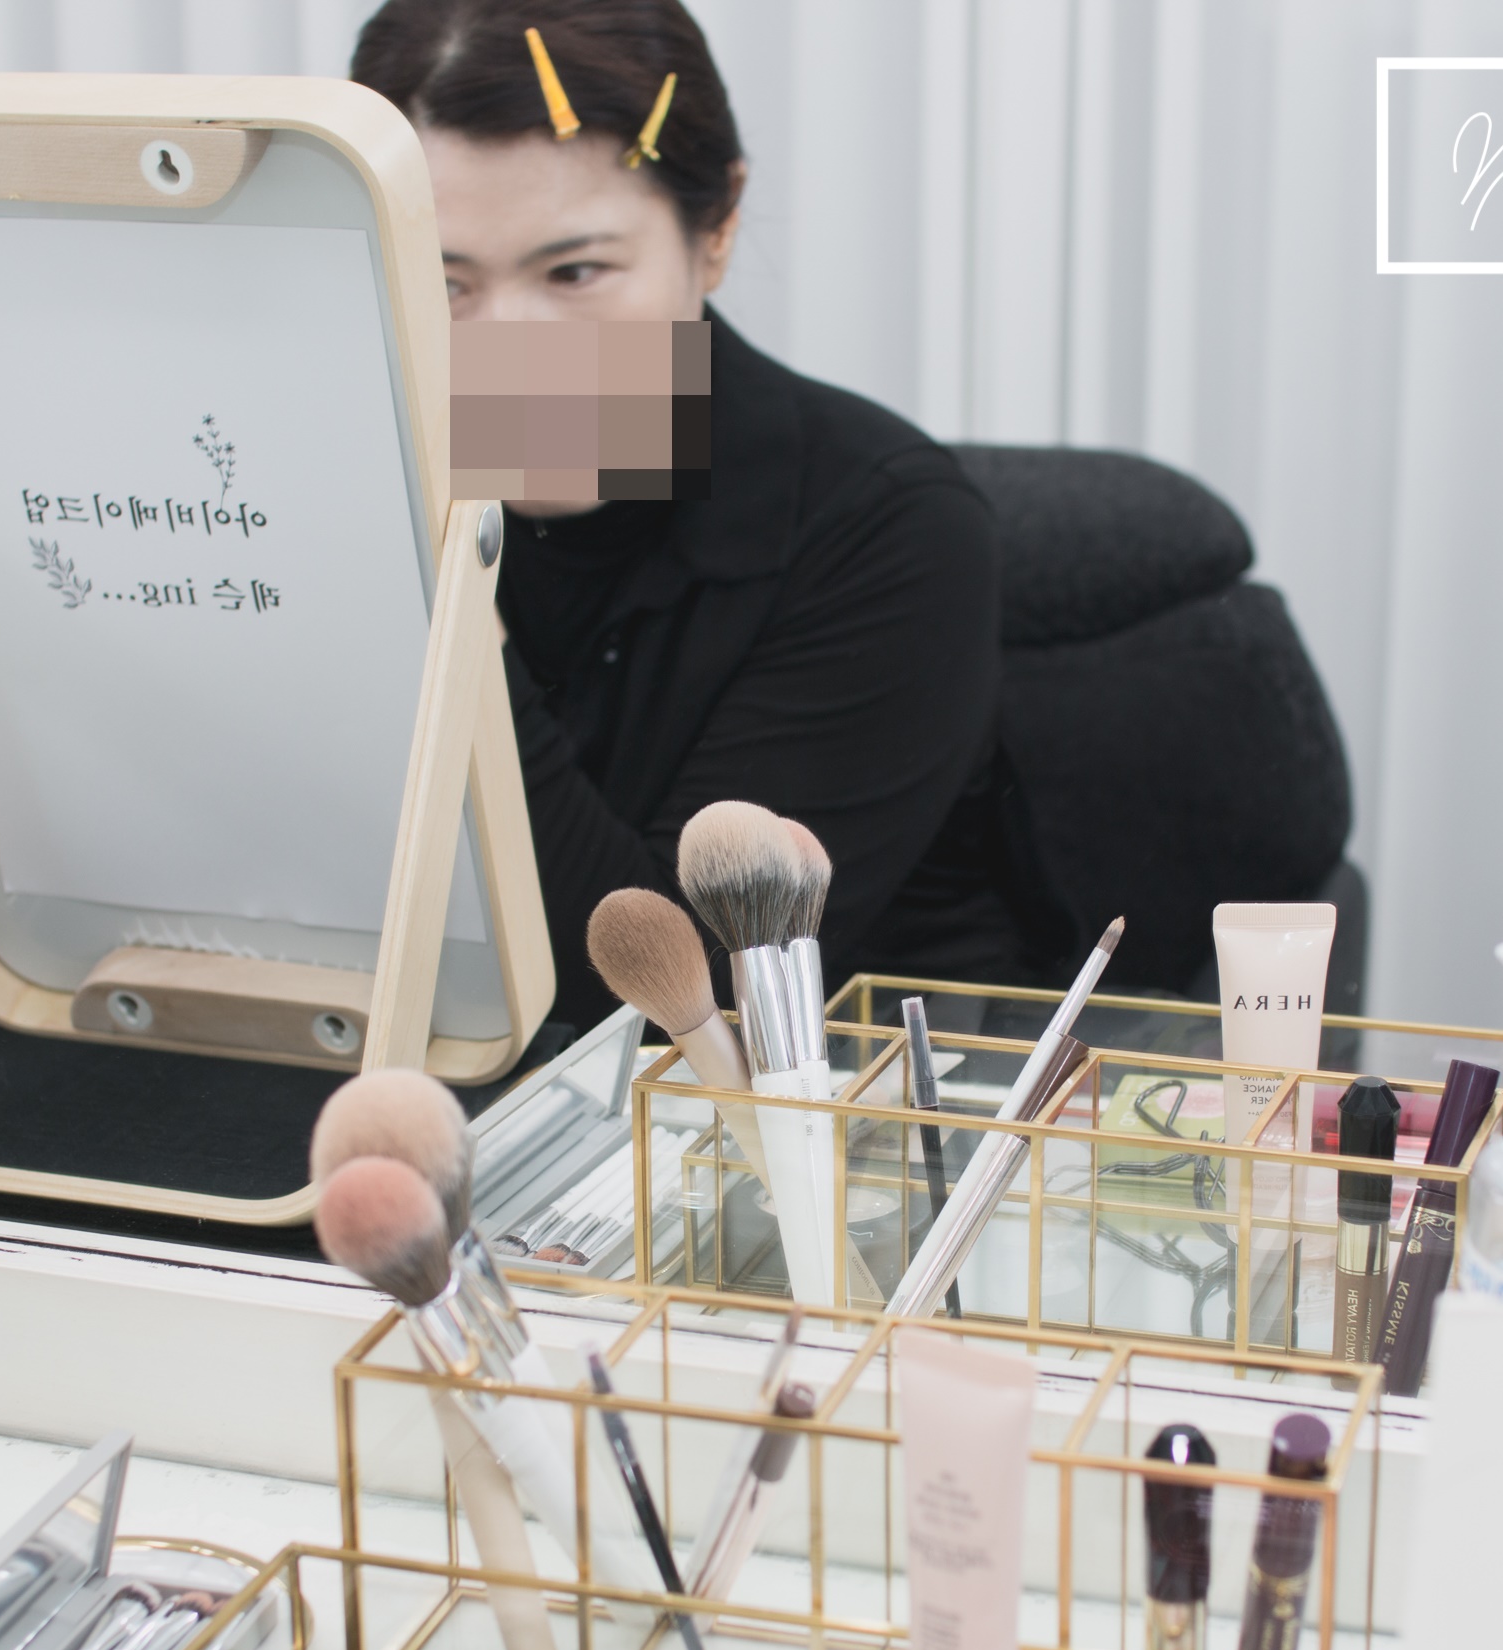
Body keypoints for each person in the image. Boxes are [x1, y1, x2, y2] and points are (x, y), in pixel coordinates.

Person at [352, 0, 1057, 1029]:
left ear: (715, 227)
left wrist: (440, 604)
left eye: (575, 272)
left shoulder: (890, 529)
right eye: (443, 281)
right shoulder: (356, 471)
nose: (507, 351)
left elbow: (658, 1002)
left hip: (802, 1098)